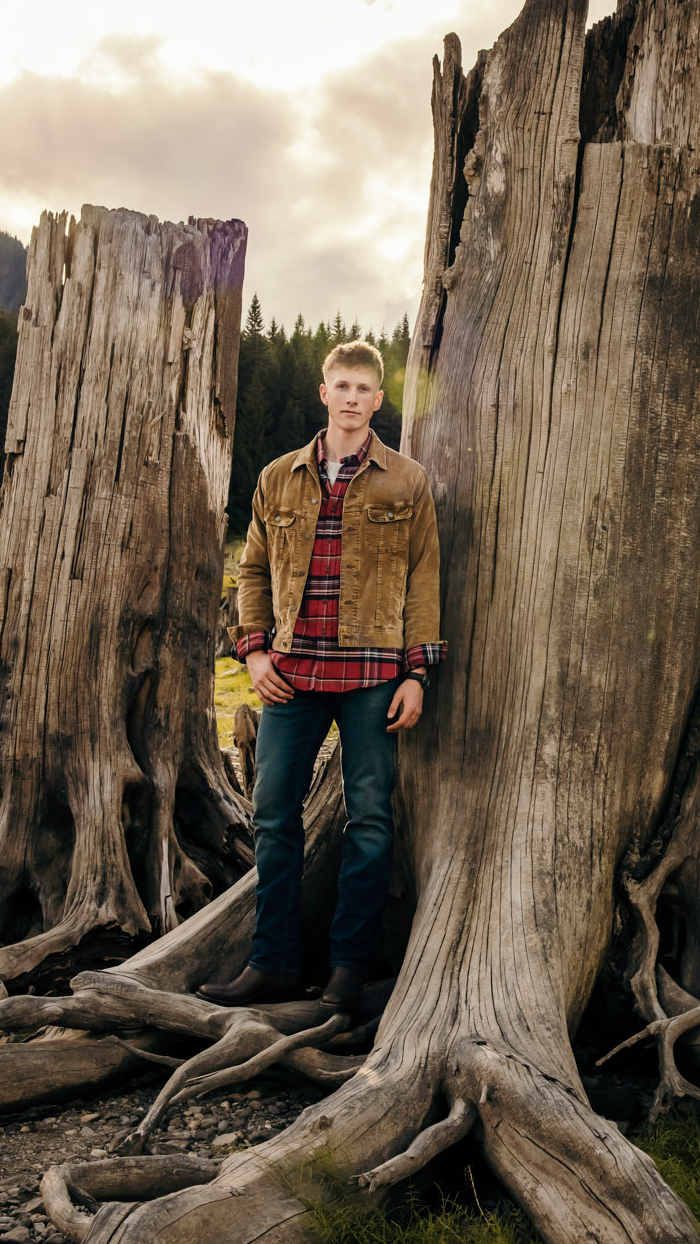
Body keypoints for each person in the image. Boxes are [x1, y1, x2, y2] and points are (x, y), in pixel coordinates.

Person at [199, 339, 445, 1016]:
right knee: (274, 815)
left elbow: (425, 580)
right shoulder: (279, 477)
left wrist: (417, 671)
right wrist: (253, 653)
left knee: (370, 822)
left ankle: (346, 973)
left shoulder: (407, 480)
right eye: (342, 386)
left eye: (365, 390)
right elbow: (250, 569)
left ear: (378, 400)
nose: (352, 399)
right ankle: (272, 963)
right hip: (292, 676)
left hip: (373, 677)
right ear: (323, 392)